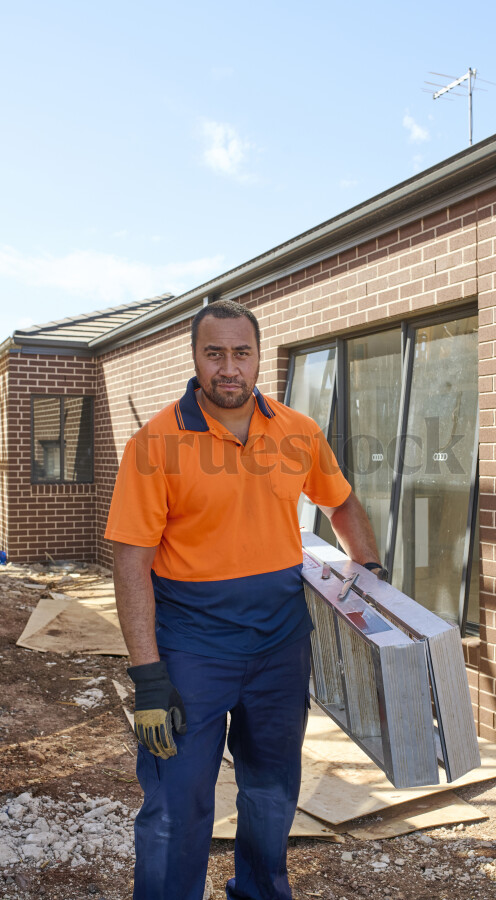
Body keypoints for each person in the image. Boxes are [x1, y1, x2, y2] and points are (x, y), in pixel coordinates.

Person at [105, 299, 383, 900]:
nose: (228, 367)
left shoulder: (297, 432)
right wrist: (149, 676)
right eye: (214, 353)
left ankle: (259, 891)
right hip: (191, 650)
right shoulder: (154, 443)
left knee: (271, 794)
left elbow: (340, 502)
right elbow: (130, 563)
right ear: (196, 358)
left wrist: (371, 574)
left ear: (259, 358)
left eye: (241, 353)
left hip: (280, 646)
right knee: (177, 808)